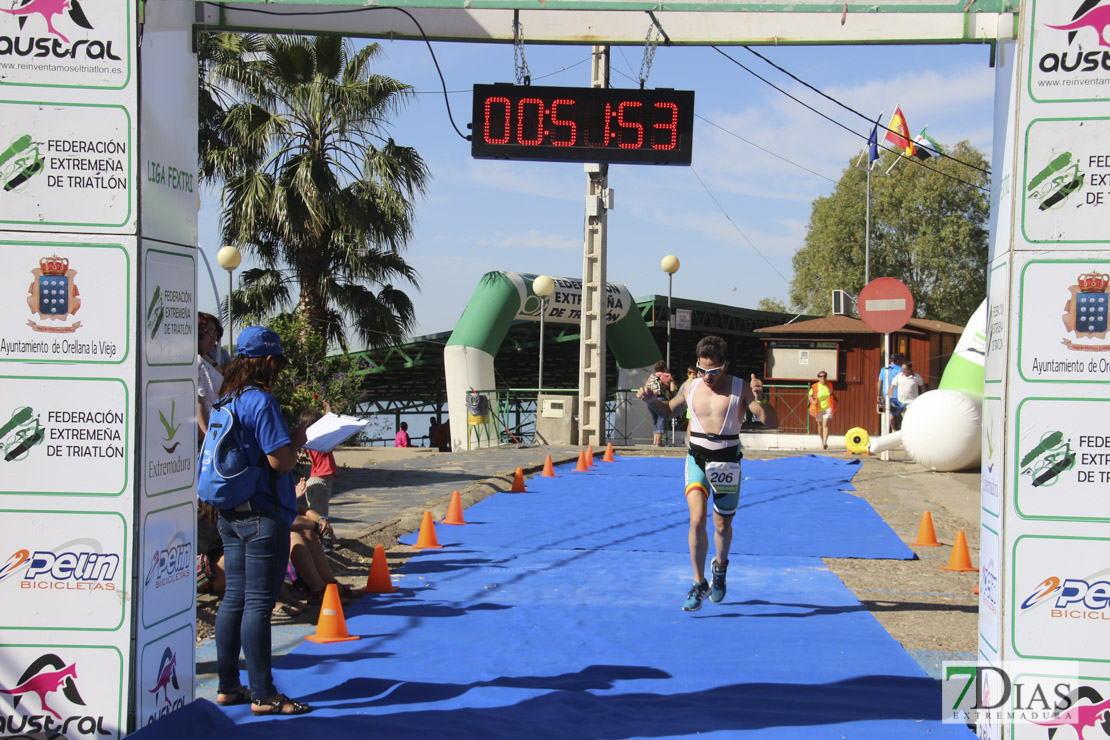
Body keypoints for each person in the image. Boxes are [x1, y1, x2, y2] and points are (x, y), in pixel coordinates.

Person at [636, 335, 778, 612]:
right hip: (697, 459)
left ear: (725, 365)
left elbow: (771, 422)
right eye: (702, 370)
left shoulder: (740, 388)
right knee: (697, 518)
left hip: (727, 462)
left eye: (712, 371)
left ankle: (721, 568)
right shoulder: (691, 386)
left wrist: (762, 398)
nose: (707, 376)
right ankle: (699, 582)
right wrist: (652, 401)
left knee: (722, 526)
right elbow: (668, 412)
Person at [212, 326, 312, 716]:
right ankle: (263, 693)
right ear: (268, 361)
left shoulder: (226, 399)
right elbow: (280, 461)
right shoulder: (261, 402)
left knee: (233, 599)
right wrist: (298, 440)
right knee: (257, 603)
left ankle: (226, 686)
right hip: (263, 514)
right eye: (279, 363)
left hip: (231, 512)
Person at [297, 404, 338, 521]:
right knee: (319, 518)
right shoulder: (316, 439)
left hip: (320, 481)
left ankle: (319, 538)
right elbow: (328, 422)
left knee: (319, 515)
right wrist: (328, 409)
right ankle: (319, 539)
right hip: (319, 482)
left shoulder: (312, 439)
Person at [196, 312, 224, 443]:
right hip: (206, 437)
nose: (214, 337)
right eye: (208, 331)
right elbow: (199, 402)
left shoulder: (205, 360)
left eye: (215, 332)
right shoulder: (196, 363)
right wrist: (209, 439)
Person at [641, 361, 677, 447]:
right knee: (661, 419)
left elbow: (646, 387)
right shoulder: (668, 376)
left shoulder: (652, 376)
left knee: (655, 420)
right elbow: (672, 389)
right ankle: (658, 441)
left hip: (651, 401)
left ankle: (654, 441)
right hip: (662, 400)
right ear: (665, 368)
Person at [877, 352, 905, 432]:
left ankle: (893, 430)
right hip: (899, 395)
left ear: (890, 360)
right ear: (898, 360)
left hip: (888, 395)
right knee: (902, 414)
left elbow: (879, 382)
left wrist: (878, 395)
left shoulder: (884, 369)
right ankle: (901, 431)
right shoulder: (900, 370)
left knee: (891, 414)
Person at [809, 371, 837, 450]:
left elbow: (832, 394)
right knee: (820, 425)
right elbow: (809, 395)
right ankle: (822, 440)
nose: (823, 378)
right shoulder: (815, 386)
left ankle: (825, 442)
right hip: (818, 408)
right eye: (821, 376)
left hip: (827, 407)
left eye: (824, 376)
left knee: (825, 425)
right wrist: (813, 401)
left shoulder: (829, 385)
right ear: (818, 378)